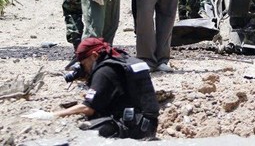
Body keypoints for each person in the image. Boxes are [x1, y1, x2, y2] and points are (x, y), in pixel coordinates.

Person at [24, 38, 159, 140]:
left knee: (81, 131)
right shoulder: (123, 61)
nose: (83, 67)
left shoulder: (105, 71)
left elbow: (88, 108)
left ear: (94, 56)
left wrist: (51, 115)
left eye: (83, 63)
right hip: (147, 126)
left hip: (131, 128)